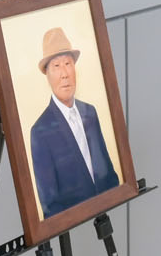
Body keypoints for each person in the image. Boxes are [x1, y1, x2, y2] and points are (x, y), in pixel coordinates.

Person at [28, 27, 119, 217]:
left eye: (68, 63)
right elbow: (50, 205)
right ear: (47, 75)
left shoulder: (90, 112)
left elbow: (108, 171)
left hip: (109, 211)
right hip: (75, 225)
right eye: (56, 66)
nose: (64, 73)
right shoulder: (40, 131)